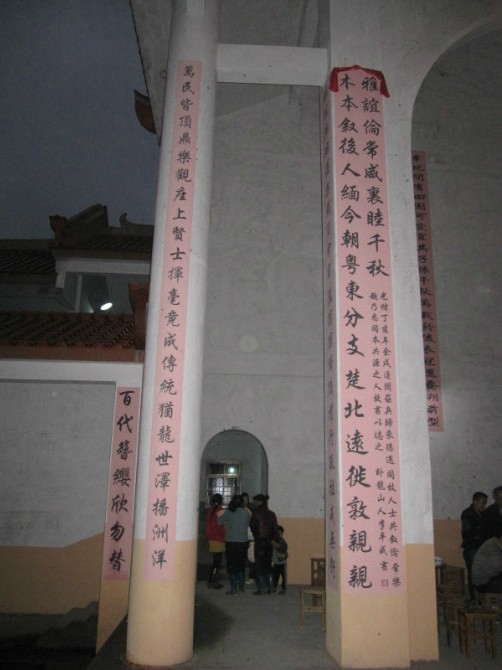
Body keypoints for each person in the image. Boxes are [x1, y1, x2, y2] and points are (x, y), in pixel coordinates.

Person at [217, 494, 251, 594]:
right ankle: (241, 587)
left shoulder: (228, 512)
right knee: (241, 565)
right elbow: (247, 523)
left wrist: (221, 515)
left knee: (232, 566)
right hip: (243, 543)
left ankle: (233, 588)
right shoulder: (246, 513)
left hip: (231, 543)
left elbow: (219, 522)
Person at [460, 491, 488, 599]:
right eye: (482, 503)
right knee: (473, 573)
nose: (484, 505)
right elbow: (467, 533)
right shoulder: (467, 514)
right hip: (471, 548)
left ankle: (481, 597)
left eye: (485, 503)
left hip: (482, 548)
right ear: (475, 502)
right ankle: (473, 598)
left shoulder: (483, 514)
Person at [250, 493, 278, 595]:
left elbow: (253, 527)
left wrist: (256, 535)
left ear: (259, 502)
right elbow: (275, 529)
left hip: (260, 542)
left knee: (259, 565)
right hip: (269, 542)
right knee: (268, 565)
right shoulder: (272, 514)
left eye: (255, 501)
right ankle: (271, 587)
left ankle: (261, 588)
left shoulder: (256, 513)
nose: (254, 503)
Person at [205, 493, 225, 589]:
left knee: (215, 561)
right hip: (218, 538)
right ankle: (212, 580)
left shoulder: (210, 510)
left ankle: (211, 580)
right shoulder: (220, 511)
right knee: (217, 562)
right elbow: (222, 526)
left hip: (211, 538)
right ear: (221, 501)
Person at [271, 525, 288, 594]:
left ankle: (283, 588)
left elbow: (282, 548)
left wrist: (274, 544)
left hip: (282, 561)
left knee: (283, 576)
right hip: (276, 561)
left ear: (281, 533)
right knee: (275, 575)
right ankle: (274, 587)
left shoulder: (282, 541)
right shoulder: (273, 540)